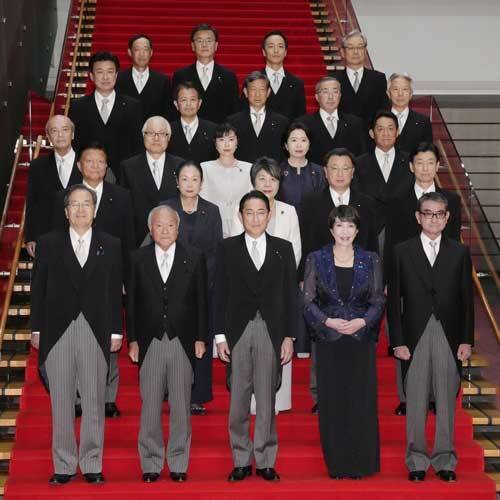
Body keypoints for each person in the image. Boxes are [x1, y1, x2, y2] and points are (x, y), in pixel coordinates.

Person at [30, 184, 122, 485]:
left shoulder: (111, 244)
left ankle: (92, 463)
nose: (81, 209)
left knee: (94, 398)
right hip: (57, 329)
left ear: (95, 210)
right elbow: (38, 288)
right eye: (75, 204)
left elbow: (114, 291)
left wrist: (116, 330)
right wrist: (36, 328)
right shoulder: (48, 243)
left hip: (95, 328)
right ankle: (64, 464)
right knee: (62, 400)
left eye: (86, 204)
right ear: (66, 211)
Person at [387, 192, 474, 483]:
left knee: (447, 398)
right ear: (418, 216)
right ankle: (416, 460)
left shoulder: (459, 252)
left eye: (439, 214)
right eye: (428, 213)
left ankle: (445, 459)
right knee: (415, 399)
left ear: (447, 218)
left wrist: (466, 339)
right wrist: (397, 340)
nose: (433, 219)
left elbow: (467, 299)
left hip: (449, 334)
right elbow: (393, 301)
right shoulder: (401, 251)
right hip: (414, 335)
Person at [214, 190, 297, 482]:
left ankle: (265, 459)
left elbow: (291, 296)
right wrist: (220, 336)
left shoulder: (283, 248)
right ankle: (240, 458)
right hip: (238, 330)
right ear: (240, 216)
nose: (255, 218)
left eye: (261, 212)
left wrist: (289, 336)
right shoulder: (226, 248)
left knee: (266, 397)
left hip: (271, 331)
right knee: (238, 398)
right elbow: (219, 293)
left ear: (269, 215)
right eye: (249, 212)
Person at [51, 142, 134, 418]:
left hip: (108, 278)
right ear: (79, 165)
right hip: (73, 279)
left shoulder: (121, 196)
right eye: (90, 161)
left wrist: (126, 277)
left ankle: (108, 397)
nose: (95, 166)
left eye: (101, 161)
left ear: (107, 166)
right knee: (73, 337)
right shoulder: (65, 197)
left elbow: (128, 240)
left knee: (108, 334)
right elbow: (56, 241)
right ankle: (76, 395)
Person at [127, 205, 208, 483]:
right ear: (150, 229)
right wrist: (133, 340)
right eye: (159, 225)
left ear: (178, 228)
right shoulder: (138, 258)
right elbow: (132, 303)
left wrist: (200, 337)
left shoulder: (194, 257)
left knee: (181, 405)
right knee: (150, 404)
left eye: (170, 225)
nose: (165, 231)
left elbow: (201, 301)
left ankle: (178, 462)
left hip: (182, 340)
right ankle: (150, 462)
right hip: (149, 340)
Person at [303, 204, 384, 478]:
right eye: (339, 225)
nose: (345, 231)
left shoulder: (371, 259)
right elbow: (307, 300)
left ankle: (362, 463)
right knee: (333, 403)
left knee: (361, 401)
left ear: (357, 230)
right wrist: (327, 321)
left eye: (350, 225)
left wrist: (362, 321)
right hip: (329, 339)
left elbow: (378, 300)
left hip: (361, 339)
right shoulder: (316, 258)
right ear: (331, 229)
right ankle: (337, 464)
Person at [386, 142, 462, 417]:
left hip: (442, 279)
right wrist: (389, 279)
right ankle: (407, 396)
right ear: (411, 166)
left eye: (431, 162)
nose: (425, 168)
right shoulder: (398, 198)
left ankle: (435, 396)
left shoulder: (451, 200)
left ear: (438, 165)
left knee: (441, 336)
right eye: (420, 163)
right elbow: (392, 241)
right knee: (406, 334)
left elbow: (454, 242)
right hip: (408, 275)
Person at [300, 148, 378, 413]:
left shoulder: (366, 202)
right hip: (321, 278)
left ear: (353, 172)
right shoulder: (311, 202)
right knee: (322, 334)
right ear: (325, 171)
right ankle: (320, 395)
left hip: (359, 278)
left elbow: (371, 242)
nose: (340, 173)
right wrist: (304, 278)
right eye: (334, 167)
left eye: (346, 168)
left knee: (357, 338)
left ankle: (355, 395)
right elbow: (306, 240)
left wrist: (376, 279)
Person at [229, 158, 301, 414]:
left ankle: (277, 403)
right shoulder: (242, 209)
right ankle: (249, 404)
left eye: (273, 179)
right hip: (246, 294)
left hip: (278, 291)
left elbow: (295, 252)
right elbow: (235, 250)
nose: (267, 184)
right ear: (253, 182)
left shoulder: (288, 211)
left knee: (278, 352)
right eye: (262, 178)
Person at [161, 161, 223, 415]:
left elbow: (217, 250)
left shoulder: (212, 210)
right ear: (177, 182)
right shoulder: (166, 208)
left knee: (200, 340)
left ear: (201, 182)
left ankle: (196, 395)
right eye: (184, 179)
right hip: (170, 285)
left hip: (203, 287)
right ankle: (170, 391)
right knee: (173, 341)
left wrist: (205, 281)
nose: (189, 184)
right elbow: (158, 243)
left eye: (195, 179)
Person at [69, 51, 143, 182]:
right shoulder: (78, 106)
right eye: (100, 72)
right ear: (91, 76)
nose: (105, 77)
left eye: (110, 71)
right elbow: (75, 144)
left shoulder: (133, 106)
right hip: (89, 175)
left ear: (116, 75)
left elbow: (137, 144)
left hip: (124, 176)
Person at [354, 110, 413, 263]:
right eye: (380, 129)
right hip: (372, 229)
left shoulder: (410, 162)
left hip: (404, 228)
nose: (386, 133)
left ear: (397, 132)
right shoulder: (359, 163)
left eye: (390, 128)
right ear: (371, 133)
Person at [120, 116, 184, 246]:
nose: (156, 138)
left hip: (174, 238)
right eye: (150, 133)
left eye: (161, 134)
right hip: (138, 239)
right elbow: (123, 208)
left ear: (168, 138)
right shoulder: (128, 167)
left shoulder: (181, 166)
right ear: (143, 136)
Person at [25, 115, 82, 257]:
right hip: (48, 237)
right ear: (48, 137)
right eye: (54, 131)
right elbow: (32, 203)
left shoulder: (86, 162)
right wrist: (30, 237)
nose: (60, 135)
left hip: (81, 237)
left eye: (65, 130)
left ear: (72, 134)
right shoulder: (37, 166)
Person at [172, 23, 239, 123]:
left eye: (209, 40)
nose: (204, 45)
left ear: (216, 45)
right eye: (199, 41)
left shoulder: (229, 76)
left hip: (220, 131)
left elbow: (234, 111)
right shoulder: (181, 75)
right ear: (193, 46)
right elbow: (174, 111)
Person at [200, 123, 252, 237]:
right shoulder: (205, 168)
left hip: (242, 224)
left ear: (237, 142)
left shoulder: (248, 168)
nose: (227, 144)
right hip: (213, 224)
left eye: (231, 139)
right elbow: (202, 201)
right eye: (222, 140)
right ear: (215, 143)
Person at [331, 30, 389, 132]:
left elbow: (384, 111)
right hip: (341, 135)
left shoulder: (378, 78)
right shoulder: (332, 80)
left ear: (365, 51)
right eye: (351, 48)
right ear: (343, 52)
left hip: (370, 136)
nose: (355, 52)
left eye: (360, 47)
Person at [299, 76, 366, 165]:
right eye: (325, 92)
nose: (330, 97)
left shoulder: (355, 123)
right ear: (317, 97)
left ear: (340, 96)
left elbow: (361, 157)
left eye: (335, 92)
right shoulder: (304, 124)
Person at [241, 30, 306, 120]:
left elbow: (301, 118)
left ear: (285, 52)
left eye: (280, 46)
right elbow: (242, 113)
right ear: (264, 52)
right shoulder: (251, 81)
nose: (276, 51)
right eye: (271, 46)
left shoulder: (297, 84)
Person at [227, 71, 289, 163]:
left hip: (271, 171)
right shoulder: (233, 122)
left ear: (268, 92)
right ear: (245, 92)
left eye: (262, 89)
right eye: (253, 89)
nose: (257, 94)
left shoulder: (282, 122)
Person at [115, 34, 176, 121]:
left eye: (145, 49)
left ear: (151, 52)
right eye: (137, 49)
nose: (142, 54)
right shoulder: (118, 79)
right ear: (129, 52)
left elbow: (168, 112)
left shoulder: (162, 81)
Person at [277, 122, 325, 213]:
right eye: (294, 140)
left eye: (303, 140)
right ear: (286, 145)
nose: (299, 145)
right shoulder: (277, 171)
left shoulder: (320, 172)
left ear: (309, 144)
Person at [168, 81, 217, 164]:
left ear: (199, 103)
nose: (188, 104)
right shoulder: (168, 130)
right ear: (176, 104)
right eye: (184, 100)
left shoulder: (213, 130)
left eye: (193, 99)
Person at [387, 73, 433, 155]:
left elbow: (427, 154)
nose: (400, 94)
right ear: (388, 93)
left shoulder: (423, 122)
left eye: (405, 89)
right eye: (395, 89)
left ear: (411, 94)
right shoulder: (378, 120)